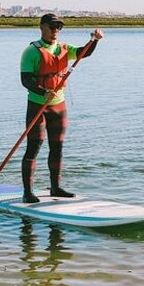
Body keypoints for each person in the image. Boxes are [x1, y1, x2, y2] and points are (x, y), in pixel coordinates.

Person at [19, 13, 104, 203]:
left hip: (59, 106)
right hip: (37, 106)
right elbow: (25, 79)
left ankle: (55, 188)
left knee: (57, 147)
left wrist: (94, 40)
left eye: (58, 27)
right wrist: (42, 92)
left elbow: (85, 52)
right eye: (51, 26)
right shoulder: (32, 51)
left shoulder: (65, 48)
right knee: (34, 147)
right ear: (41, 27)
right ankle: (27, 193)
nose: (55, 30)